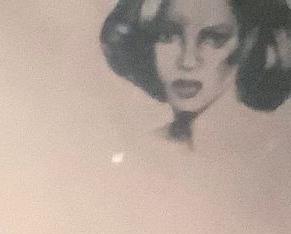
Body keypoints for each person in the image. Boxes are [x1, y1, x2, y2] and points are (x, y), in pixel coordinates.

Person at [101, 0, 291, 148]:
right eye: (167, 35)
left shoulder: (265, 146)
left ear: (247, 43)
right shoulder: (140, 142)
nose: (188, 62)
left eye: (214, 38)